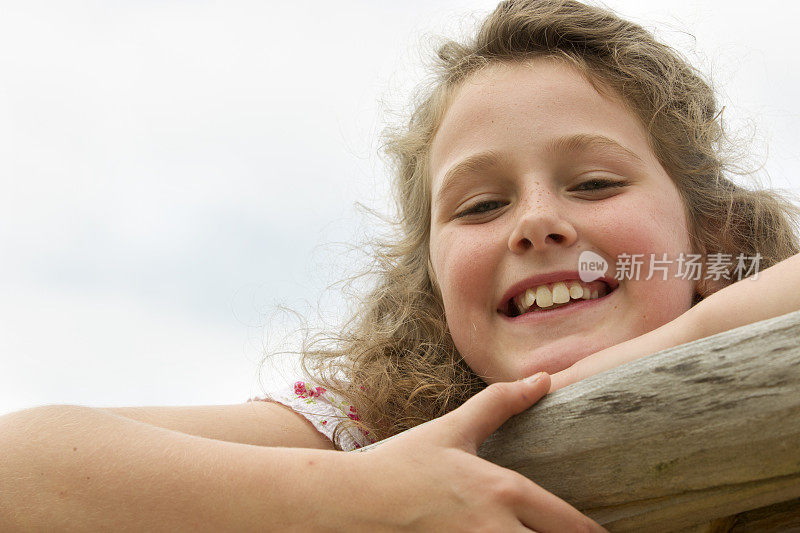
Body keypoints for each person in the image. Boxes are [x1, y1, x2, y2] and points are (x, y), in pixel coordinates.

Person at [2, 0, 799, 530]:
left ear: (712, 232)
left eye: (594, 183)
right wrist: (363, 494)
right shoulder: (377, 434)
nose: (536, 223)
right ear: (430, 280)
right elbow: (23, 466)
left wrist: (639, 359)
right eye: (480, 206)